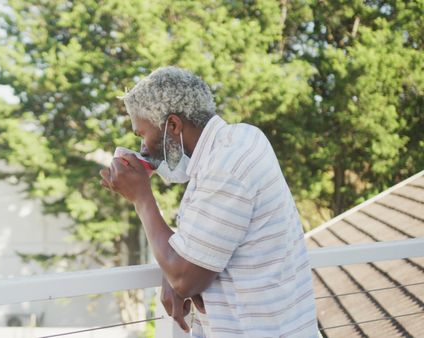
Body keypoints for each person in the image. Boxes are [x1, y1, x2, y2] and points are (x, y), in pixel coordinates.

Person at [99, 66, 318, 337]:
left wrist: (141, 197)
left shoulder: (227, 167)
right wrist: (176, 262)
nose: (143, 148)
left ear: (173, 125)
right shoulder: (240, 140)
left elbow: (184, 279)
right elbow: (208, 238)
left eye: (142, 134)